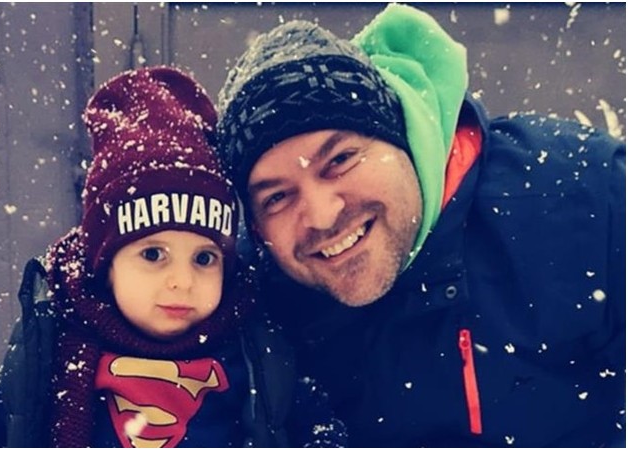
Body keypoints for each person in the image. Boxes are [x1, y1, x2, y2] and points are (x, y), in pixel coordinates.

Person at [216, 4, 625, 447]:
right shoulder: (245, 302)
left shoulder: (587, 194)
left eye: (340, 160)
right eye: (276, 197)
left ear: (401, 137)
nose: (322, 215)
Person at [0, 67, 347, 448]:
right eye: (152, 254)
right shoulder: (55, 347)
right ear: (105, 265)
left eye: (204, 259)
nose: (182, 281)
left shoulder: (253, 349)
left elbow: (313, 428)